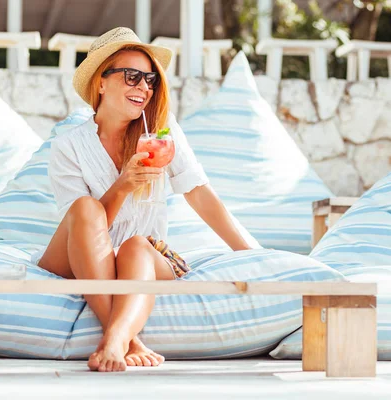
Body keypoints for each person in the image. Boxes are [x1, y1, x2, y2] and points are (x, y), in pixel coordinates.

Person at [34, 27, 252, 373]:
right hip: (81, 253)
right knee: (85, 207)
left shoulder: (161, 134)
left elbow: (198, 191)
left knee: (136, 245)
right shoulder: (68, 146)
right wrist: (123, 185)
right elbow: (82, 227)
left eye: (150, 80)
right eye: (132, 76)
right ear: (101, 83)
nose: (144, 88)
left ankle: (116, 338)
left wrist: (250, 253)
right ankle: (128, 340)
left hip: (143, 255)